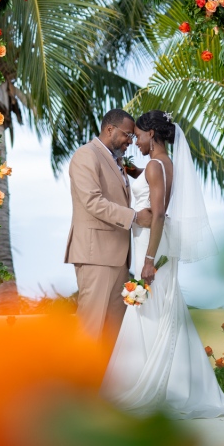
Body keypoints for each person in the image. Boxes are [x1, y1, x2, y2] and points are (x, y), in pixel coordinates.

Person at [101, 110, 224, 418]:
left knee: (148, 312)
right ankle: (170, 381)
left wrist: (149, 261)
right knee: (159, 310)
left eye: (138, 136)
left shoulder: (155, 166)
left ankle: (150, 384)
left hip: (151, 250)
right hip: (154, 247)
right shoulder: (164, 164)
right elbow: (143, 179)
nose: (135, 141)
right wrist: (120, 163)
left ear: (152, 135)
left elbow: (156, 216)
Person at [64, 109, 152, 351]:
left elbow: (146, 179)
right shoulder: (86, 156)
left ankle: (106, 386)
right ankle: (78, 386)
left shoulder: (118, 160)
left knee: (116, 332)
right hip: (95, 256)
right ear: (110, 130)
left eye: (134, 137)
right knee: (89, 328)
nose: (130, 142)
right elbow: (93, 202)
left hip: (119, 259)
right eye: (127, 135)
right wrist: (135, 217)